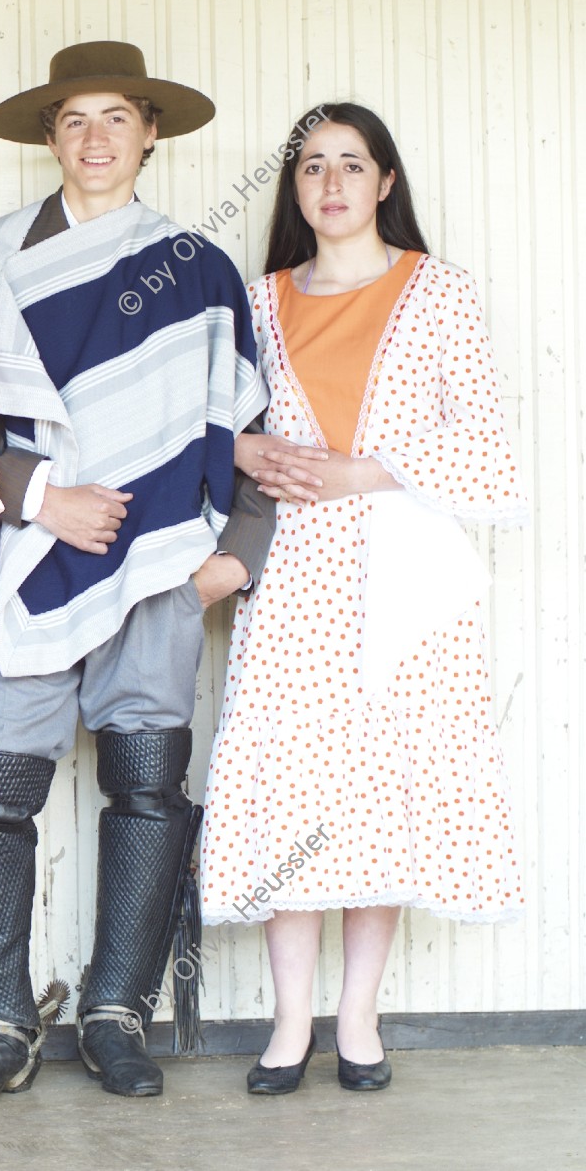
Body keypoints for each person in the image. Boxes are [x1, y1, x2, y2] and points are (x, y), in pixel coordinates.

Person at [0, 40, 273, 1106]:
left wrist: (231, 560)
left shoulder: (199, 269)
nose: (94, 140)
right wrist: (41, 494)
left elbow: (250, 431)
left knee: (145, 782)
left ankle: (116, 1013)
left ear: (151, 132)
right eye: (73, 121)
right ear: (49, 137)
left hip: (160, 567)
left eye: (116, 120)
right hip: (23, 547)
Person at [200, 102, 527, 1096]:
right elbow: (206, 431)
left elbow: (487, 449)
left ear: (385, 183)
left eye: (351, 164)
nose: (331, 183)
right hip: (292, 567)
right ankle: (290, 1022)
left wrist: (367, 469)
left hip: (405, 573)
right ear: (295, 189)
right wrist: (242, 447)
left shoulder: (440, 292)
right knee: (295, 779)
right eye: (311, 168)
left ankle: (358, 1018)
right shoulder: (255, 303)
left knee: (381, 785)